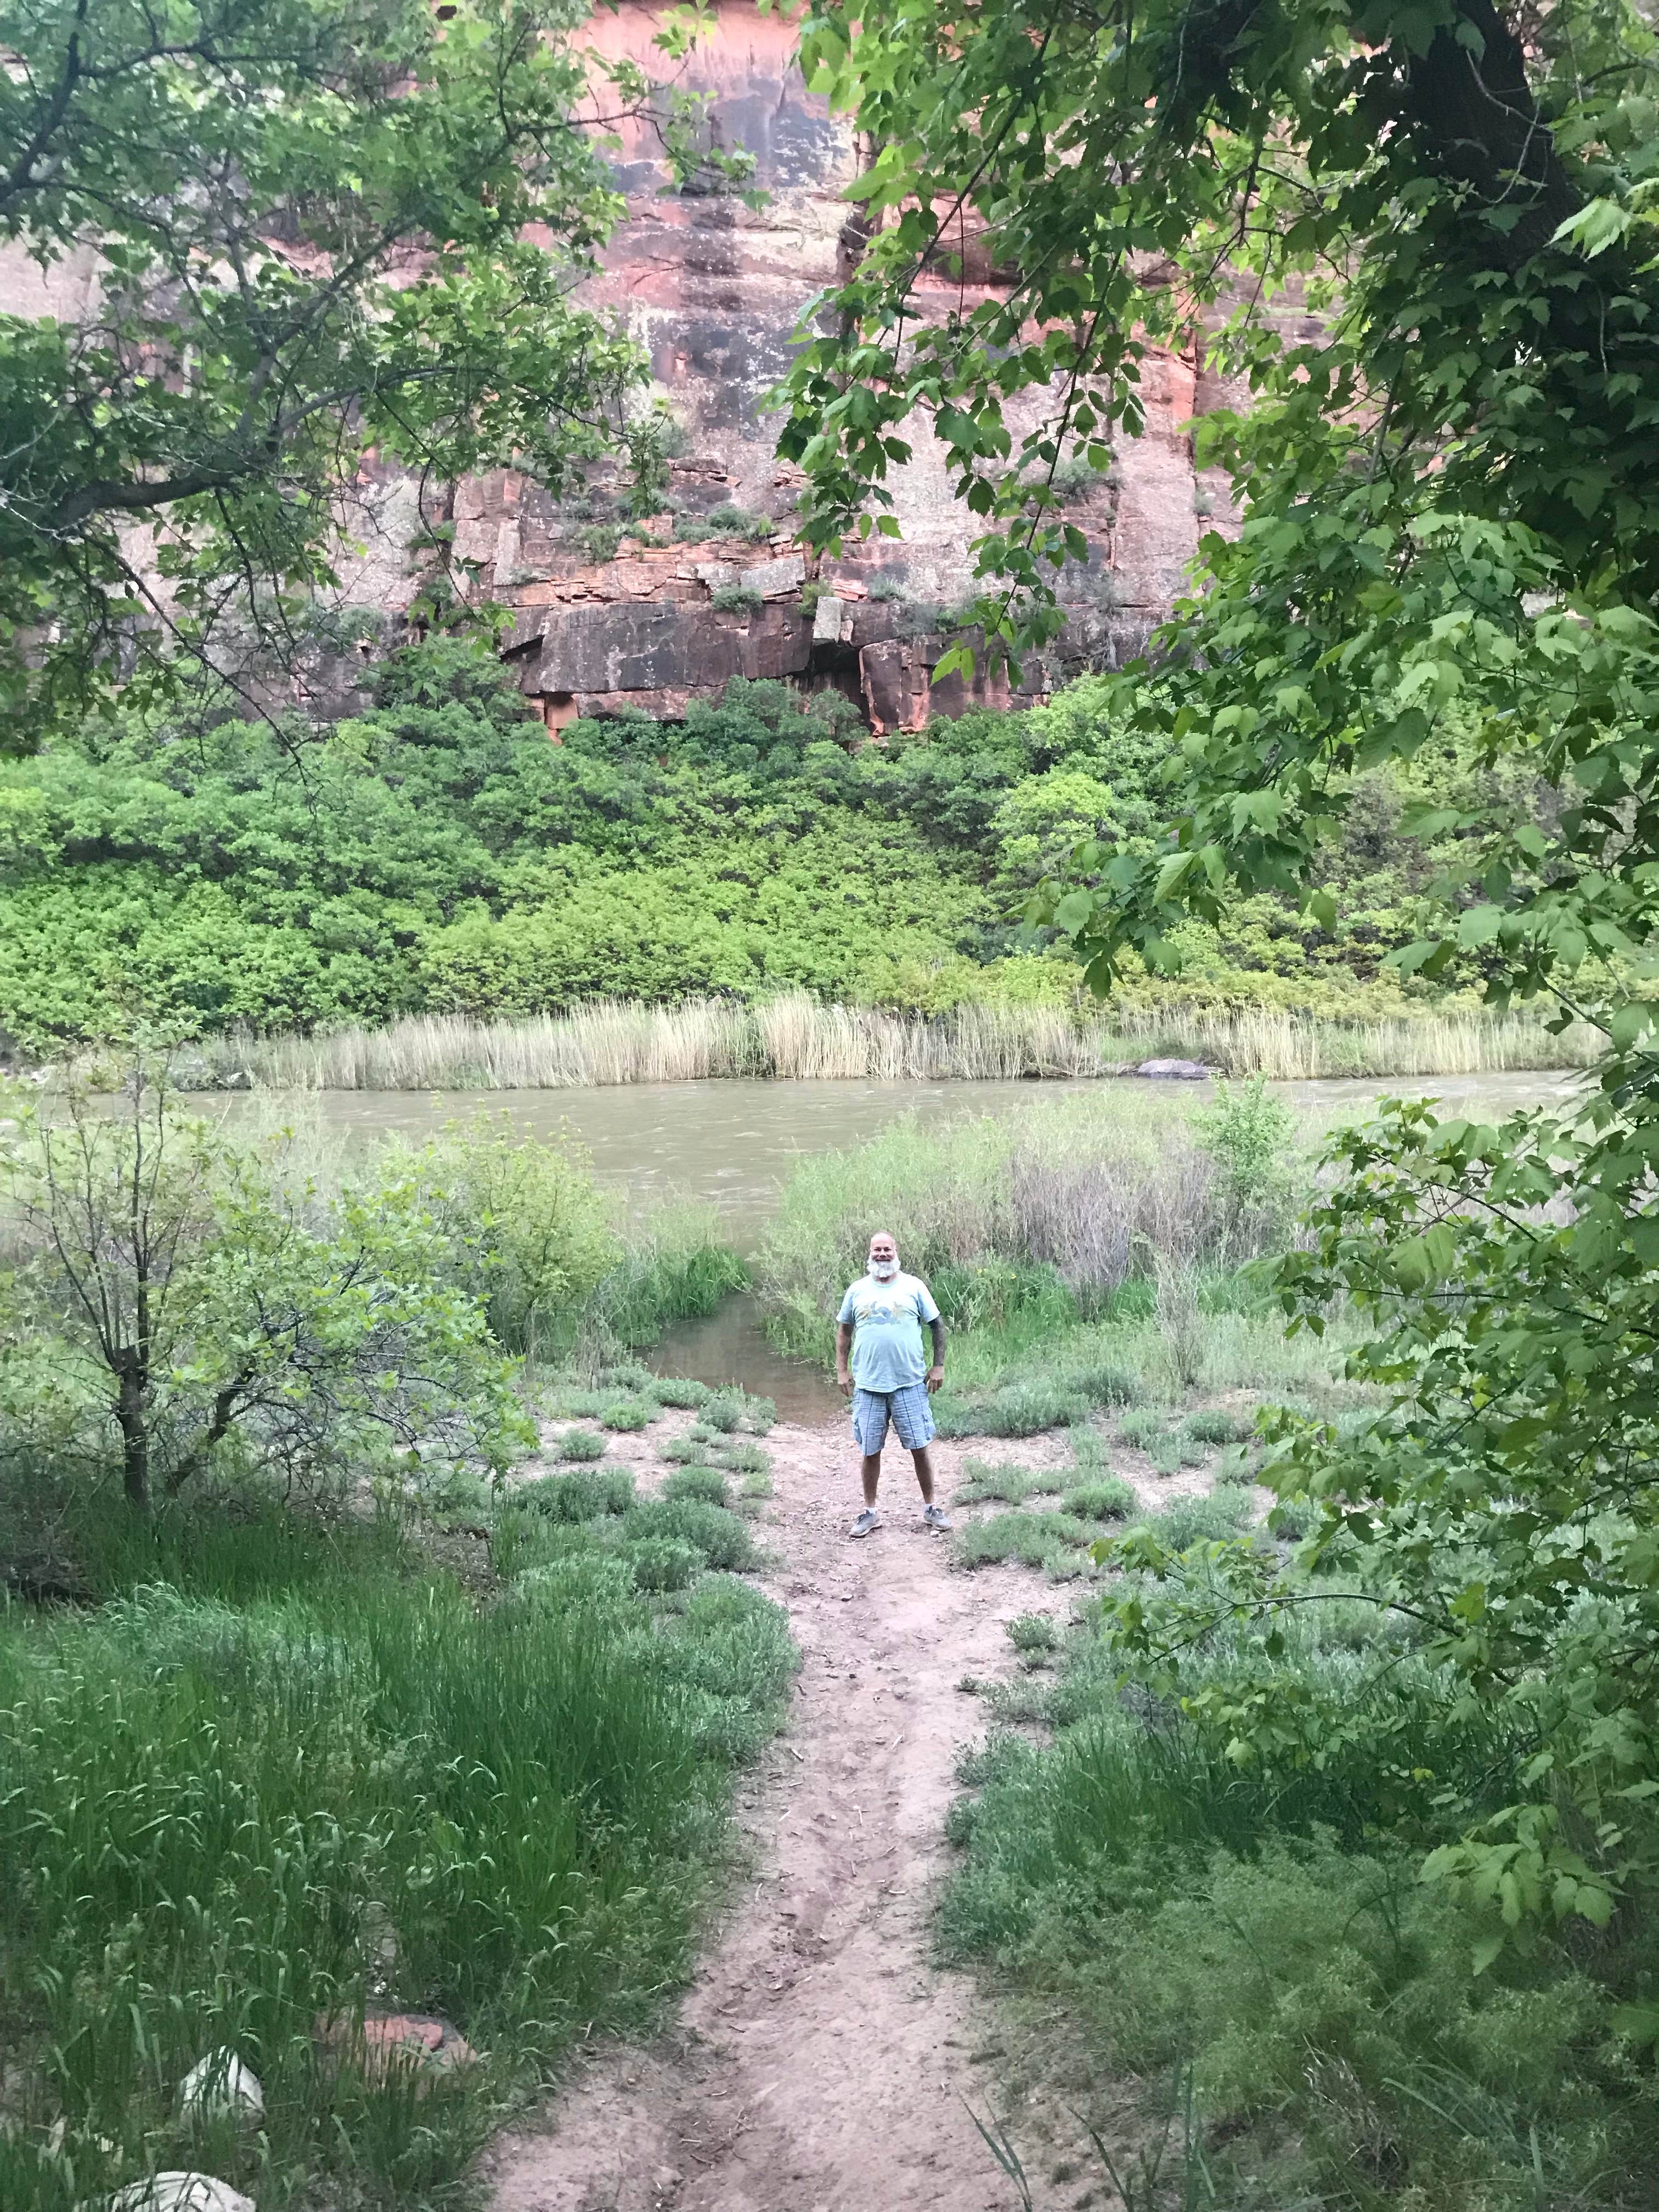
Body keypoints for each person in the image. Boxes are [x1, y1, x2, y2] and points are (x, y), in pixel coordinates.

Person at [835, 1229, 949, 1539]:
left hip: (909, 1383)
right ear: (869, 1254)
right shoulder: (857, 1290)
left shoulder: (914, 1287)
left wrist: (938, 1366)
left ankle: (931, 1508)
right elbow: (844, 1332)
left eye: (887, 1249)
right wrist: (842, 1370)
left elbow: (937, 1326)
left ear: (896, 1252)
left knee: (919, 1448)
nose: (882, 1255)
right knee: (870, 1451)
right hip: (869, 1386)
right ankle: (870, 1512)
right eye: (877, 1250)